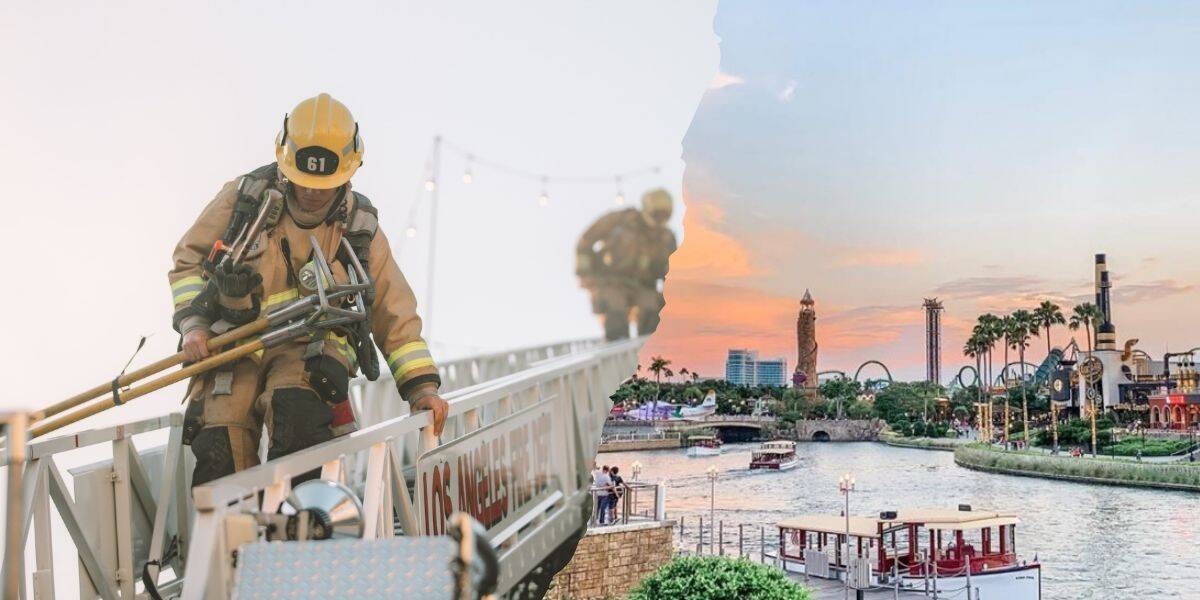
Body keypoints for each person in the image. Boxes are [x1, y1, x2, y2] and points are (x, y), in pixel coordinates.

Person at [171, 93, 450, 486]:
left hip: (309, 349)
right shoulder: (244, 200)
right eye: (304, 182)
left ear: (350, 170)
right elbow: (189, 261)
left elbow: (394, 310)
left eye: (326, 184)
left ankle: (299, 531)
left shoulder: (359, 228)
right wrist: (195, 325)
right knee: (221, 438)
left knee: (297, 415)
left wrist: (421, 387)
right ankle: (231, 543)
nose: (314, 193)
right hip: (232, 345)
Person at [575, 189, 677, 340]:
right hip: (611, 281)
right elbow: (586, 240)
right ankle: (617, 343)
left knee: (651, 308)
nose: (660, 219)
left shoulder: (666, 237)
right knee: (615, 308)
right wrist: (584, 272)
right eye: (657, 213)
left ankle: (648, 349)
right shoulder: (620, 221)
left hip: (644, 285)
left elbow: (672, 269)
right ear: (647, 209)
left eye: (665, 215)